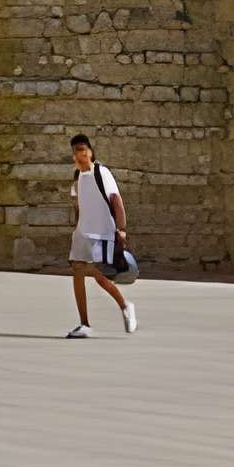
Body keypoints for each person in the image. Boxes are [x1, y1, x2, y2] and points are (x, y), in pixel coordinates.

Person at [65, 134, 137, 337]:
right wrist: (76, 228)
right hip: (82, 233)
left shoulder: (101, 172)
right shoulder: (77, 177)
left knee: (99, 275)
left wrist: (121, 229)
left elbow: (116, 201)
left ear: (90, 151)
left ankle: (125, 306)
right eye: (75, 150)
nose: (79, 154)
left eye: (82, 149)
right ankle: (84, 324)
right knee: (77, 271)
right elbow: (78, 205)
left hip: (102, 233)